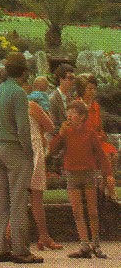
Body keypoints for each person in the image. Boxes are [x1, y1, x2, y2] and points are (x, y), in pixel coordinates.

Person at [0, 52, 44, 264]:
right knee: (18, 202)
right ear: (24, 72)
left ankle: (1, 249)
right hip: (15, 151)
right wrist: (29, 153)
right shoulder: (18, 93)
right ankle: (20, 250)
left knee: (2, 203)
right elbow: (23, 129)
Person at [49, 99, 113, 258]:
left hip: (88, 174)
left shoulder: (90, 133)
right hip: (72, 175)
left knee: (92, 211)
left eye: (73, 113)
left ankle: (95, 243)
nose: (69, 116)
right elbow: (52, 150)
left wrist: (107, 174)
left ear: (82, 116)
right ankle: (84, 244)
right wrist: (60, 134)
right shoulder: (66, 132)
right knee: (77, 211)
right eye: (68, 113)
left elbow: (100, 154)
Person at [27, 91, 61, 251]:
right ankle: (43, 236)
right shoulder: (32, 106)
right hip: (34, 150)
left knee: (21, 195)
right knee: (36, 196)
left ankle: (43, 236)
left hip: (21, 151)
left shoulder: (12, 108)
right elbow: (50, 126)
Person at [76, 73, 118, 200]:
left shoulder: (95, 106)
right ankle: (109, 189)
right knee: (106, 156)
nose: (92, 92)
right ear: (82, 89)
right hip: (83, 143)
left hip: (97, 141)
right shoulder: (77, 105)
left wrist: (102, 134)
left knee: (114, 154)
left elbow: (98, 127)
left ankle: (105, 185)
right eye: (89, 89)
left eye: (94, 89)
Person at [50, 64, 76, 129]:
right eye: (70, 78)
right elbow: (52, 126)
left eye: (74, 78)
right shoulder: (52, 99)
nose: (73, 81)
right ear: (61, 79)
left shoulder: (72, 98)